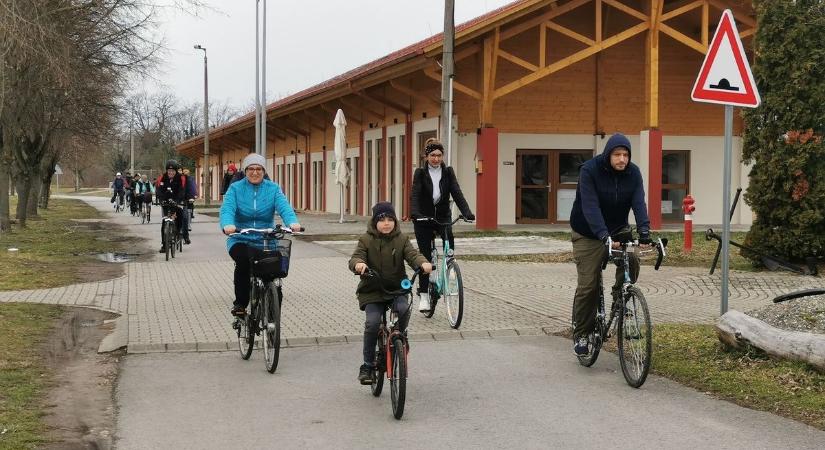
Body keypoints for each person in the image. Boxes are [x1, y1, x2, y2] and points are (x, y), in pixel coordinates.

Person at [569, 133, 651, 356]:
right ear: (608, 155)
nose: (622, 159)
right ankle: (582, 333)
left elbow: (638, 202)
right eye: (617, 154)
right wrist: (603, 236)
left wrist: (644, 230)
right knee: (589, 286)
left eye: (625, 155)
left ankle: (620, 298)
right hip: (588, 232)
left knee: (632, 258)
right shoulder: (590, 171)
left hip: (618, 229)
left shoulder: (633, 173)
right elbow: (590, 206)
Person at [349, 202, 432, 384]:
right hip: (372, 290)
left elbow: (412, 254)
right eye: (381, 220)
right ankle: (368, 366)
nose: (386, 223)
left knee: (403, 310)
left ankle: (401, 337)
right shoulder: (366, 240)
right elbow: (356, 256)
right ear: (374, 222)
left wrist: (422, 263)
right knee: (372, 323)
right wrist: (358, 265)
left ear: (395, 221)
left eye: (390, 219)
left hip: (396, 289)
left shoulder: (401, 239)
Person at [220, 153, 302, 317]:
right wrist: (228, 225)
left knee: (272, 271)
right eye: (251, 169)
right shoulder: (235, 189)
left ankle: (273, 311)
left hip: (266, 237)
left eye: (259, 169)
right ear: (245, 170)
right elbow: (227, 209)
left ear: (264, 171)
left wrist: (292, 222)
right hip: (240, 237)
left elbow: (284, 207)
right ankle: (240, 304)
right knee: (243, 262)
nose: (255, 172)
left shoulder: (272, 188)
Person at [409, 138, 475, 313]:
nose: (436, 159)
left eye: (439, 155)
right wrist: (415, 213)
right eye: (432, 155)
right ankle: (424, 295)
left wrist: (467, 212)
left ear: (443, 156)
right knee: (425, 258)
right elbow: (415, 195)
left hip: (443, 217)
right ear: (426, 156)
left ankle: (450, 273)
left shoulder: (448, 172)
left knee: (449, 248)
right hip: (423, 218)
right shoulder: (420, 174)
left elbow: (457, 192)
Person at [156, 160, 190, 250]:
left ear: (175, 171)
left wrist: (178, 201)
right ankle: (164, 245)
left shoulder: (181, 178)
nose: (171, 173)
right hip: (166, 202)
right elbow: (159, 191)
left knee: (180, 217)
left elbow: (181, 191)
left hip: (176, 201)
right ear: (167, 171)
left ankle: (178, 232)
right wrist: (161, 200)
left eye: (173, 171)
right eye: (169, 171)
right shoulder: (162, 178)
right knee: (164, 223)